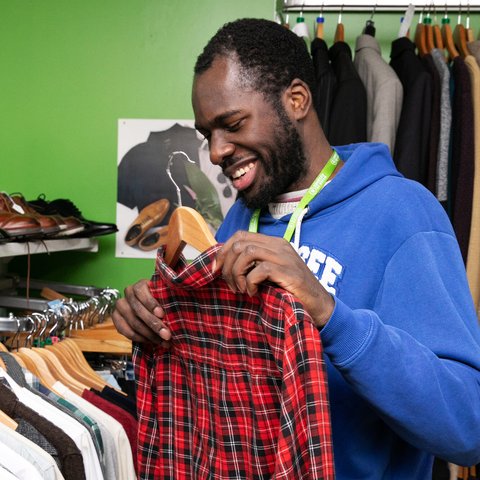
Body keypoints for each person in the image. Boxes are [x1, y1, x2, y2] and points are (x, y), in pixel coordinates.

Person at [112, 18, 480, 478]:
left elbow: (469, 428)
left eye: (232, 124)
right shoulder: (238, 221)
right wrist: (150, 322)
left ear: (297, 99)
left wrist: (330, 314)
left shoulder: (403, 214)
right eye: (208, 134)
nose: (215, 152)